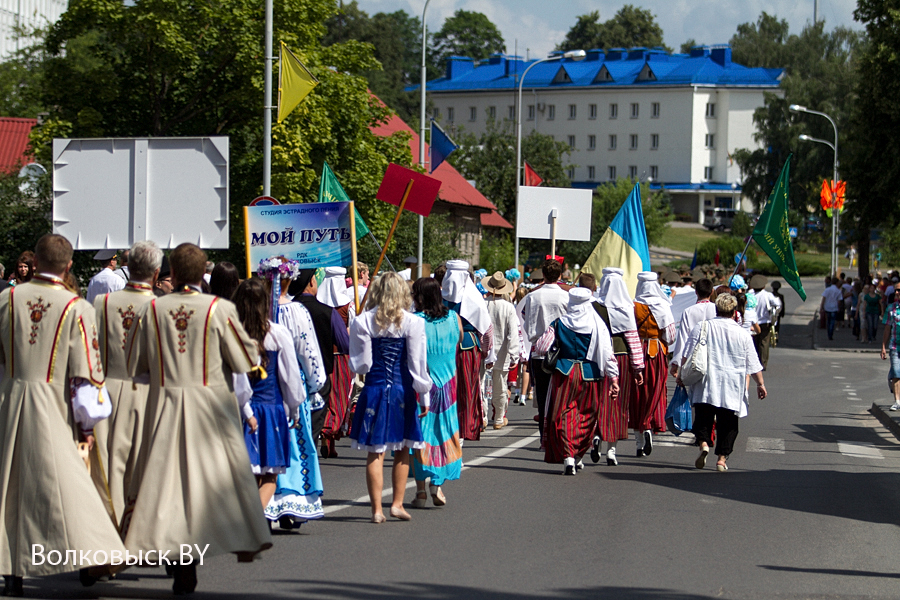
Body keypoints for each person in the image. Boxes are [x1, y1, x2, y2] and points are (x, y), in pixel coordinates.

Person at [122, 243, 271, 594]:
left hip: (166, 405)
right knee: (210, 484)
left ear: (169, 271)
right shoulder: (218, 309)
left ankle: (177, 555)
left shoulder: (153, 309)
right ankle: (197, 552)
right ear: (202, 269)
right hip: (209, 407)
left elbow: (135, 365)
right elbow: (245, 361)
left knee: (167, 484)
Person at [0, 234, 125, 596]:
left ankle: (13, 570)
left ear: (35, 261)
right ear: (69, 266)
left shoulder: (6, 299)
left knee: (9, 486)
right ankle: (92, 554)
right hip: (51, 403)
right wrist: (87, 425)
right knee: (63, 488)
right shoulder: (75, 307)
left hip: (9, 398)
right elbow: (87, 372)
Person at [348, 272, 432, 523]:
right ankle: (396, 503)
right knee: (403, 448)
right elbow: (418, 364)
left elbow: (361, 366)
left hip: (374, 388)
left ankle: (376, 510)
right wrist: (424, 397)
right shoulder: (413, 322)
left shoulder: (362, 321)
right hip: (402, 390)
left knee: (376, 451)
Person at [92, 240, 161, 525]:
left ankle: (107, 530)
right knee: (145, 467)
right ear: (156, 273)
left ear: (128, 268)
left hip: (105, 392)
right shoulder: (160, 306)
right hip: (146, 394)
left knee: (108, 469)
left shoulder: (102, 302)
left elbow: (91, 349)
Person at [265, 258, 328, 528]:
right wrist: (316, 386)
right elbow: (308, 353)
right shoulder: (297, 312)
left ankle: (265, 503)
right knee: (293, 444)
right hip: (291, 387)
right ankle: (290, 504)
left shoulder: (253, 309)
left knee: (266, 445)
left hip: (262, 386)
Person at [232, 278, 303, 510]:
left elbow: (233, 378)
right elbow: (290, 376)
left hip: (240, 411)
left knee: (249, 472)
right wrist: (294, 408)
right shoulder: (278, 333)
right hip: (271, 410)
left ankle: (251, 518)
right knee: (270, 474)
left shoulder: (232, 335)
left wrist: (244, 409)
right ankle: (256, 518)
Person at [679, 293, 767, 471]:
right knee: (728, 423)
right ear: (735, 312)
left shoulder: (702, 327)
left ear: (716, 309)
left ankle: (703, 443)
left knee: (703, 417)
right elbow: (753, 363)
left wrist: (682, 374)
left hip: (706, 382)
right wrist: (760, 384)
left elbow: (687, 355)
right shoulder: (742, 334)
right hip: (732, 384)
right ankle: (721, 459)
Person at [536, 287, 619, 475]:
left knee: (563, 414)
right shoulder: (597, 324)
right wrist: (614, 377)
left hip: (564, 374)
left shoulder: (559, 323)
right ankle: (578, 454)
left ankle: (568, 456)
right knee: (587, 415)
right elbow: (607, 353)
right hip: (590, 374)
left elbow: (540, 347)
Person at [411, 277, 463, 508]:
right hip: (449, 383)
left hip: (422, 384)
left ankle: (420, 490)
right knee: (444, 432)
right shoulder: (453, 317)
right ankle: (437, 484)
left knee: (421, 434)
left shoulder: (415, 320)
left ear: (420, 297)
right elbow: (460, 339)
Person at [585, 269, 644, 466]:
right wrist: (638, 368)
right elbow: (633, 340)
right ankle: (612, 450)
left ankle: (596, 436)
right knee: (618, 404)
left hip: (597, 358)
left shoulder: (593, 307)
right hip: (621, 358)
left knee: (598, 400)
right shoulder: (626, 308)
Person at [289, 269, 347, 444]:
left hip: (290, 374)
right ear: (312, 283)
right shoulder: (328, 312)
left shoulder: (284, 310)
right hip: (320, 377)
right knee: (313, 425)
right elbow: (344, 344)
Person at [442, 260, 494, 441]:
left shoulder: (440, 296)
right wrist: (487, 352)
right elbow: (487, 329)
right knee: (466, 391)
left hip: (443, 348)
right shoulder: (474, 298)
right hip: (468, 349)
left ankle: (450, 433)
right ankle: (461, 434)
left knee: (447, 390)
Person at [520, 259, 570, 443]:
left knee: (542, 397)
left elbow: (526, 318)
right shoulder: (565, 297)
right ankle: (558, 436)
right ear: (559, 276)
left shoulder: (534, 296)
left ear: (543, 275)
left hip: (539, 351)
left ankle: (544, 437)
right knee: (560, 396)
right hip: (561, 351)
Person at [630, 271, 676, 457]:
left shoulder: (633, 306)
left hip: (636, 350)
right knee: (655, 390)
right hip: (656, 352)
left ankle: (639, 442)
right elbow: (671, 335)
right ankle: (648, 426)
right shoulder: (663, 305)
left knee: (636, 394)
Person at [316, 266, 355, 458]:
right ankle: (327, 429)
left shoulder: (315, 304)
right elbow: (352, 334)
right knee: (339, 399)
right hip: (341, 356)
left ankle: (328, 442)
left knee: (326, 397)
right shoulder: (349, 306)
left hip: (319, 355)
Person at [482, 271, 519, 430]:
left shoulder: (483, 304)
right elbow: (513, 333)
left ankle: (483, 416)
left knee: (481, 385)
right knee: (500, 386)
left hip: (484, 350)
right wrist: (514, 355)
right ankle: (498, 418)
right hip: (502, 351)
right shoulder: (509, 307)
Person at [669, 278, 717, 378]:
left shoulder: (688, 311)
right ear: (712, 292)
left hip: (693, 358)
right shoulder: (717, 309)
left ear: (696, 292)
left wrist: (677, 362)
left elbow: (682, 338)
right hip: (714, 355)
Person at [881, 287, 900, 411]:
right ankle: (897, 401)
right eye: (896, 290)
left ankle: (891, 377)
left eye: (899, 290)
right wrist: (883, 346)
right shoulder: (891, 308)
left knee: (896, 373)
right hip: (895, 346)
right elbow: (887, 329)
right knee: (897, 372)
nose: (897, 292)